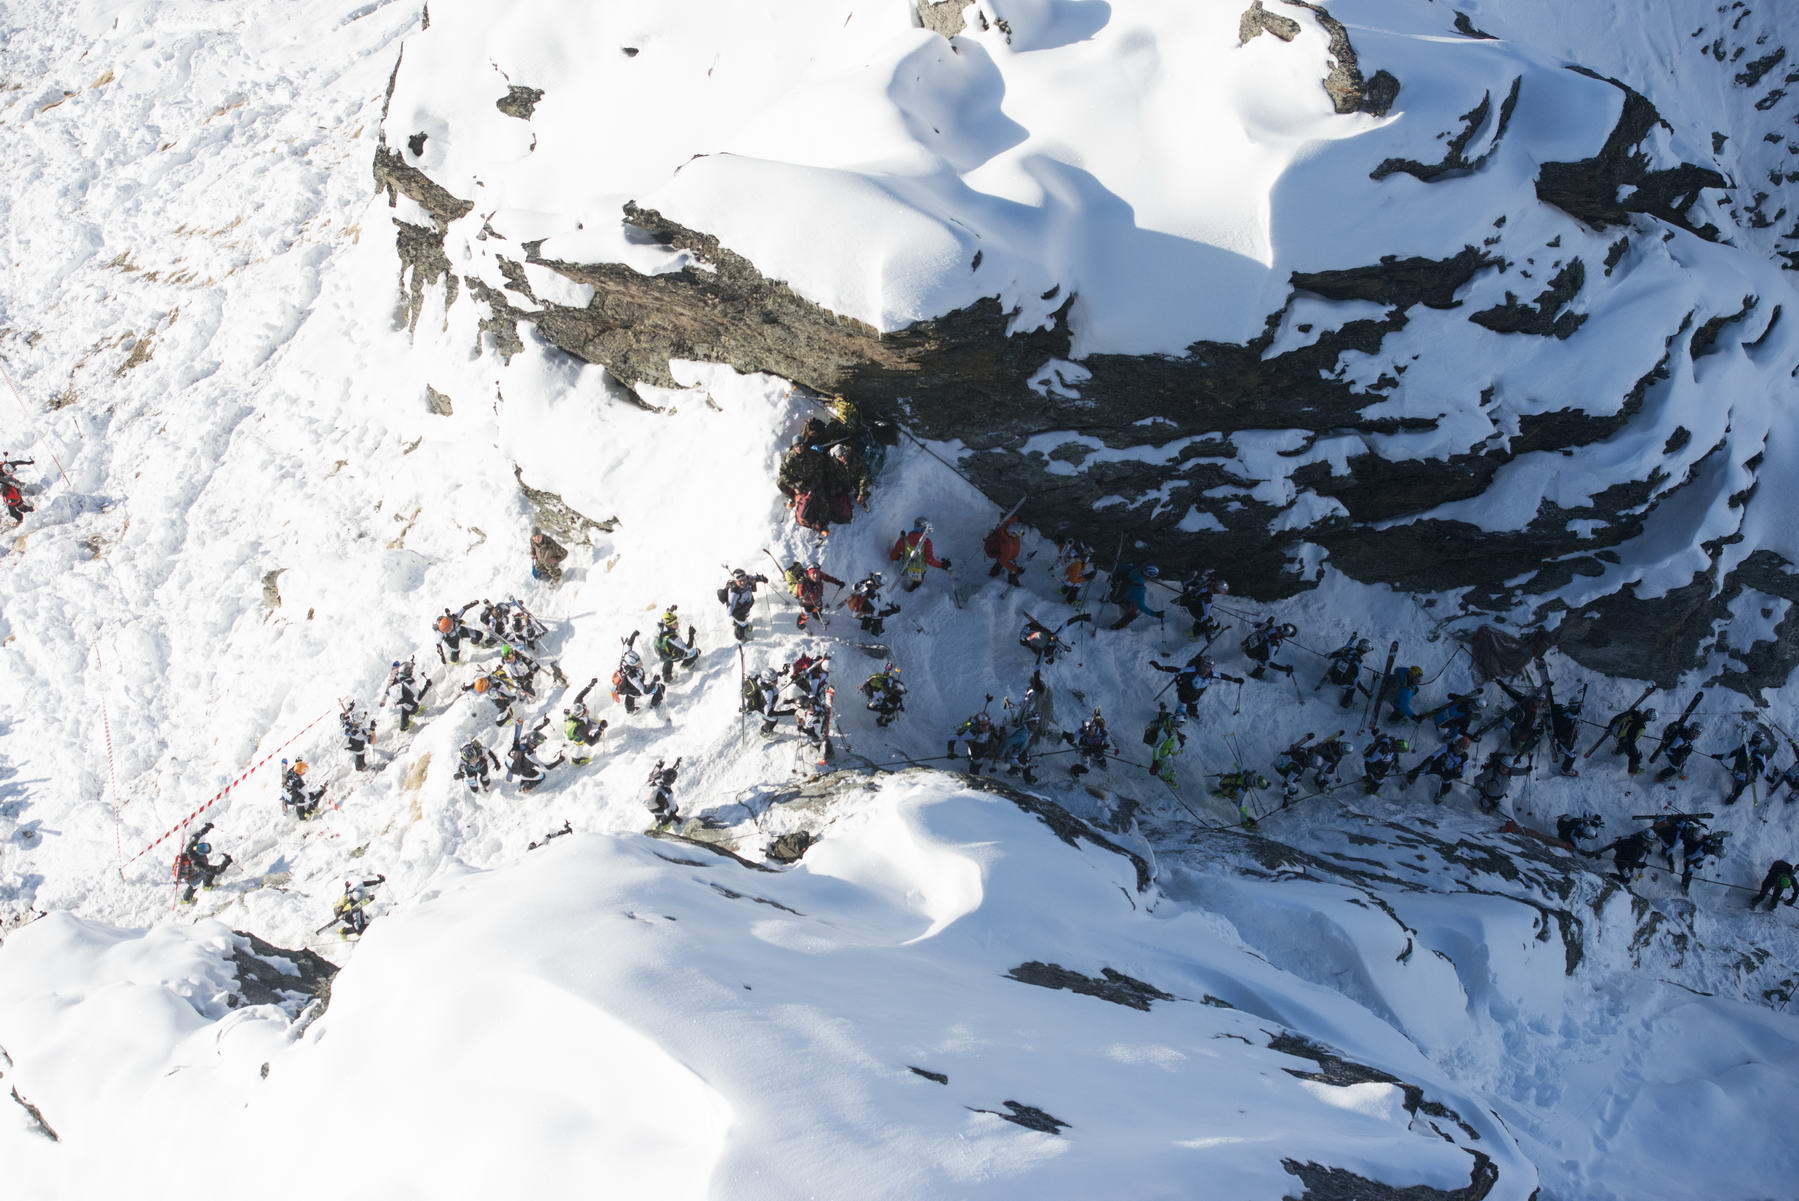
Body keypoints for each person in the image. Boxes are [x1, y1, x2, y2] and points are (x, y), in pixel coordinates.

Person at [1148, 653, 1242, 719]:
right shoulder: (1191, 671)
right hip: (1184, 697)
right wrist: (1161, 668)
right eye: (1205, 666)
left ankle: (1192, 713)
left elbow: (1222, 676)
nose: (1206, 669)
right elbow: (1176, 670)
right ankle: (1176, 718)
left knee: (1193, 707)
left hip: (1195, 698)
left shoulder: (1211, 674)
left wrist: (1234, 679)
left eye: (1209, 667)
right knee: (1179, 720)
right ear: (1201, 664)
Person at [174, 823, 232, 904]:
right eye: (202, 848)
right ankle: (207, 886)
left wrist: (207, 828)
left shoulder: (191, 847)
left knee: (197, 881)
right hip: (192, 878)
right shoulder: (197, 863)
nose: (201, 848)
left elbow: (196, 836)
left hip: (191, 872)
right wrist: (226, 862)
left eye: (204, 847)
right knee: (208, 873)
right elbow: (216, 871)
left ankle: (185, 900)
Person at [1404, 736, 1471, 803]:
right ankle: (1410, 777)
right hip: (1438, 765)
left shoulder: (1465, 759)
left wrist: (1452, 775)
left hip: (1448, 772)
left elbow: (1462, 774)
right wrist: (1423, 765)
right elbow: (1433, 756)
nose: (1460, 749)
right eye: (1460, 746)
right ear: (1456, 743)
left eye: (1464, 748)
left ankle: (1442, 794)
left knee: (1446, 781)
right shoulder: (1448, 747)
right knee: (1423, 768)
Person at [1713, 730, 1774, 804]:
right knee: (1740, 788)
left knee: (1739, 780)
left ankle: (1734, 790)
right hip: (1747, 777)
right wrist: (1769, 779)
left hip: (1736, 771)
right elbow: (1763, 771)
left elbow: (1731, 754)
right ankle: (1733, 798)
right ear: (1760, 742)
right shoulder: (1760, 755)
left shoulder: (1744, 747)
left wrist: (1718, 756)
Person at [889, 519, 950, 591]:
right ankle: (911, 592)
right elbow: (929, 560)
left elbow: (893, 556)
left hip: (906, 569)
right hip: (919, 573)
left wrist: (899, 556)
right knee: (915, 587)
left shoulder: (903, 540)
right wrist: (942, 565)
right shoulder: (927, 542)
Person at [612, 633, 666, 714]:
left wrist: (633, 635)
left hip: (628, 688)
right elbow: (645, 691)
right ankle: (654, 705)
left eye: (639, 660)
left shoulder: (626, 658)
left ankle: (630, 710)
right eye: (638, 663)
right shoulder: (633, 677)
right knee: (660, 687)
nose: (641, 663)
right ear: (632, 666)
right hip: (636, 689)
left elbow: (629, 645)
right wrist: (654, 681)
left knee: (630, 693)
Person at [507, 720, 565, 792]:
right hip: (518, 769)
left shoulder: (524, 739)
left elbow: (534, 730)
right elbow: (547, 767)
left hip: (512, 761)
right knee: (542, 776)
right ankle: (525, 788)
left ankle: (524, 780)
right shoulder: (530, 755)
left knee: (528, 768)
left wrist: (543, 725)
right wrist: (559, 760)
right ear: (534, 744)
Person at [1600, 703, 1656, 776]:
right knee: (1634, 754)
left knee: (1626, 745)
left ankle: (1618, 751)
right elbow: (1631, 740)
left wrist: (1611, 726)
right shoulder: (1641, 726)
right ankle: (1633, 771)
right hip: (1622, 739)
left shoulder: (1634, 712)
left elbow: (1617, 717)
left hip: (1615, 729)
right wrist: (1636, 756)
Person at [1317, 637, 1372, 708]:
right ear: (1365, 650)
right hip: (1341, 682)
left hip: (1332, 673)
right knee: (1353, 686)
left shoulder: (1347, 649)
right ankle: (1346, 703)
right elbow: (1356, 681)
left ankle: (1331, 678)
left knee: (1349, 676)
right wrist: (1364, 691)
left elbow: (1330, 655)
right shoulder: (1359, 663)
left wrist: (1328, 655)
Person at [1107, 563, 1164, 630]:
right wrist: (1156, 614)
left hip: (1114, 589)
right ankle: (1116, 627)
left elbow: (1117, 567)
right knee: (1133, 612)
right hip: (1119, 599)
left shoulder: (1133, 570)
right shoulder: (1140, 590)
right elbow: (1142, 607)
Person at [1175, 573, 1228, 643]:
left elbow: (1187, 583)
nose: (1217, 593)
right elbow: (1204, 619)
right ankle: (1193, 634)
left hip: (1191, 605)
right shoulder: (1207, 599)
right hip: (1194, 610)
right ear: (1216, 590)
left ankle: (1197, 629)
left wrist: (1185, 591)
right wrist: (1207, 636)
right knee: (1209, 623)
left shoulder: (1203, 585)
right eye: (1218, 592)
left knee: (1209, 621)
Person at [562, 679, 608, 760]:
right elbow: (591, 742)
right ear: (581, 715)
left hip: (578, 725)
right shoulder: (581, 729)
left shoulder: (577, 705)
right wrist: (600, 729)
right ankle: (576, 759)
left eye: (584, 707)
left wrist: (590, 685)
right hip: (575, 734)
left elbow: (581, 695)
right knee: (579, 743)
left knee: (597, 724)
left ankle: (566, 743)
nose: (587, 709)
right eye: (585, 710)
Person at [719, 569, 768, 642]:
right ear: (736, 581)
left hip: (747, 603)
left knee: (746, 615)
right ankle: (740, 637)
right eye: (740, 581)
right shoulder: (734, 593)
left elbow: (754, 578)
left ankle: (736, 622)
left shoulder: (748, 578)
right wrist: (740, 621)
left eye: (744, 579)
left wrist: (761, 578)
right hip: (738, 609)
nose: (743, 582)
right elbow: (730, 612)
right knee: (742, 624)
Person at [844, 572, 899, 637]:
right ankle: (875, 632)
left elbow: (854, 587)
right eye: (880, 585)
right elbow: (877, 612)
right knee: (877, 616)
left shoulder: (867, 585)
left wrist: (889, 605)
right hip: (857, 611)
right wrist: (892, 611)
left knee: (870, 610)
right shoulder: (871, 594)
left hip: (857, 607)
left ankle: (865, 627)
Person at [383, 659, 431, 732]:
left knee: (404, 712)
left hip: (403, 698)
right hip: (410, 703)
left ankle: (412, 714)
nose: (412, 671)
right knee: (410, 707)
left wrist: (411, 665)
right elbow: (418, 698)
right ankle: (404, 727)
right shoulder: (410, 683)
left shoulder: (399, 676)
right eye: (410, 670)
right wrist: (427, 686)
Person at [743, 667, 792, 736]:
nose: (777, 682)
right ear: (768, 681)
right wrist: (788, 712)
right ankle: (765, 732)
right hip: (759, 707)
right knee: (774, 719)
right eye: (774, 681)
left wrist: (782, 673)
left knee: (771, 707)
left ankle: (765, 720)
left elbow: (772, 677)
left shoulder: (761, 678)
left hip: (761, 700)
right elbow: (768, 713)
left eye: (776, 679)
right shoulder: (768, 693)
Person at [793, 564, 845, 630]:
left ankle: (817, 616)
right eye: (813, 573)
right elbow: (800, 594)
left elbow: (828, 578)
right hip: (807, 603)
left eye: (817, 573)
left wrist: (838, 582)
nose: (816, 575)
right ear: (809, 574)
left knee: (818, 609)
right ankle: (800, 625)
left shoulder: (819, 575)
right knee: (805, 615)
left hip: (818, 599)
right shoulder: (803, 582)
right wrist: (806, 592)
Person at [653, 610, 701, 681]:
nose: (677, 623)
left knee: (668, 660)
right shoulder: (673, 638)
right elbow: (688, 648)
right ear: (669, 625)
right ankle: (686, 665)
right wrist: (691, 634)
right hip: (674, 655)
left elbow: (664, 617)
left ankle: (666, 675)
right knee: (697, 651)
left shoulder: (662, 626)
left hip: (663, 653)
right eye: (674, 623)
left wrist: (671, 610)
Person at [948, 710, 1000, 775]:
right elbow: (952, 738)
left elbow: (991, 727)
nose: (986, 727)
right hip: (976, 749)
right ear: (978, 725)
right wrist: (950, 752)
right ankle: (973, 773)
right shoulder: (972, 733)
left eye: (987, 724)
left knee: (979, 759)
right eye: (983, 725)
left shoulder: (990, 726)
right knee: (977, 763)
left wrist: (996, 735)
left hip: (983, 746)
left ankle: (973, 761)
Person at [1065, 709, 1114, 777]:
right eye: (1086, 731)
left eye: (1089, 731)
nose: (1087, 733)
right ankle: (1074, 769)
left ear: (1094, 727)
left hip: (1097, 747)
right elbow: (1074, 738)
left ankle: (1099, 759)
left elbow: (1107, 743)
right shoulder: (1084, 730)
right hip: (1085, 748)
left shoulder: (1103, 732)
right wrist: (1070, 738)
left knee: (1099, 754)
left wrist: (1103, 747)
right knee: (1086, 769)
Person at [1653, 716, 1703, 782]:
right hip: (1670, 751)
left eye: (1698, 734)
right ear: (1691, 730)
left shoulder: (1688, 736)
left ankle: (1679, 770)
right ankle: (1659, 777)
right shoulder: (1681, 739)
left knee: (1684, 756)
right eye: (1694, 732)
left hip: (1677, 749)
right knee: (1675, 768)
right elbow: (1668, 751)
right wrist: (1681, 752)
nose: (1695, 736)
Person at [1051, 536, 1096, 605]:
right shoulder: (1077, 564)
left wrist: (1061, 542)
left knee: (1074, 575)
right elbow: (1073, 580)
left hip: (1063, 573)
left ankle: (1063, 590)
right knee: (1078, 584)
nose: (1089, 554)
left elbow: (1062, 549)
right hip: (1065, 577)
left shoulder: (1070, 551)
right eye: (1089, 552)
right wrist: (1087, 577)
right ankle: (1071, 600)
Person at [982, 515, 1024, 587]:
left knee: (1002, 560)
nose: (1022, 534)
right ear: (1013, 534)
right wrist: (1016, 569)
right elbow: (1003, 561)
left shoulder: (1005, 528)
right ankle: (1012, 582)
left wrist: (1016, 518)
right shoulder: (1008, 546)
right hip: (998, 552)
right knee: (1011, 567)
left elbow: (1008, 521)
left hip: (997, 547)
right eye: (1020, 533)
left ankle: (993, 572)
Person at [1548, 693, 1583, 776]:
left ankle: (1564, 756)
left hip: (1566, 739)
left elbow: (1575, 714)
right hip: (1564, 740)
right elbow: (1572, 718)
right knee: (1572, 755)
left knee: (1570, 753)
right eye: (1573, 706)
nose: (1573, 708)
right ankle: (1565, 770)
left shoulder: (1568, 711)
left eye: (1575, 706)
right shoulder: (1569, 716)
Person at [862, 663, 906, 727]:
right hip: (879, 693)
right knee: (884, 704)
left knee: (893, 702)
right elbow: (871, 680)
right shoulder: (879, 678)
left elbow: (895, 682)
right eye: (887, 668)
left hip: (885, 693)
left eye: (889, 668)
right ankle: (882, 719)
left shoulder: (891, 678)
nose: (888, 670)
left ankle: (883, 719)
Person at [645, 758, 682, 825]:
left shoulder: (655, 777)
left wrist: (659, 764)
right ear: (672, 781)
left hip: (648, 803)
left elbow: (664, 773)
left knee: (660, 800)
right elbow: (668, 811)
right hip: (656, 808)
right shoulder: (668, 792)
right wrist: (677, 819)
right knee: (675, 808)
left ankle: (658, 817)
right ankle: (661, 824)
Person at [340, 703, 375, 772]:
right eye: (360, 722)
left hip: (348, 744)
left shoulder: (347, 723)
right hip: (355, 747)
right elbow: (368, 740)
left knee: (360, 752)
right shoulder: (357, 732)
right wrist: (372, 729)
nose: (360, 723)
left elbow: (342, 716)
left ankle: (360, 765)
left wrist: (350, 709)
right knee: (360, 753)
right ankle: (359, 767)